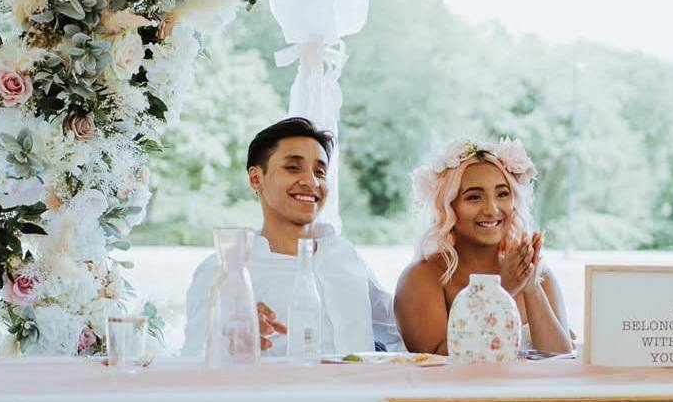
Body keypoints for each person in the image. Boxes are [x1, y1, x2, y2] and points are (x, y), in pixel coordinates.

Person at [182, 117, 402, 356]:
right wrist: (231, 340)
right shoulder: (224, 270)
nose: (311, 181)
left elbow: (396, 331)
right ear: (256, 178)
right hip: (274, 392)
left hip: (361, 391)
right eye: (293, 168)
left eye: (320, 172)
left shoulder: (345, 256)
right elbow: (195, 359)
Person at [394, 138, 573, 355]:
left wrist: (531, 289)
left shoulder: (538, 275)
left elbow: (561, 361)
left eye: (502, 194)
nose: (492, 209)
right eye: (474, 197)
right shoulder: (420, 278)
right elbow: (435, 367)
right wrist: (500, 292)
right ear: (448, 207)